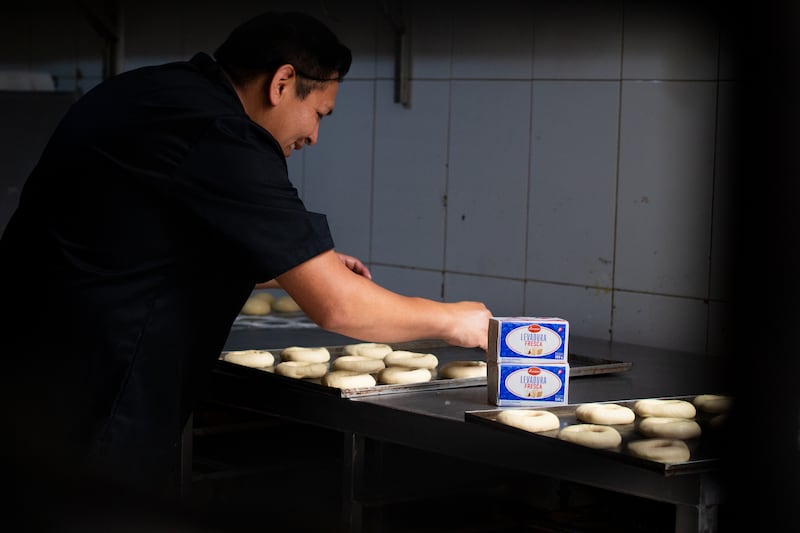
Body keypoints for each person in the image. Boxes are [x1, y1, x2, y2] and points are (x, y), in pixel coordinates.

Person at [0, 10, 491, 506]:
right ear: (282, 83)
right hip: (87, 409)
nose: (313, 136)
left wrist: (291, 267)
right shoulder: (224, 133)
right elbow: (338, 307)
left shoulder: (147, 92)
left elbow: (144, 241)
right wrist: (456, 321)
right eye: (319, 114)